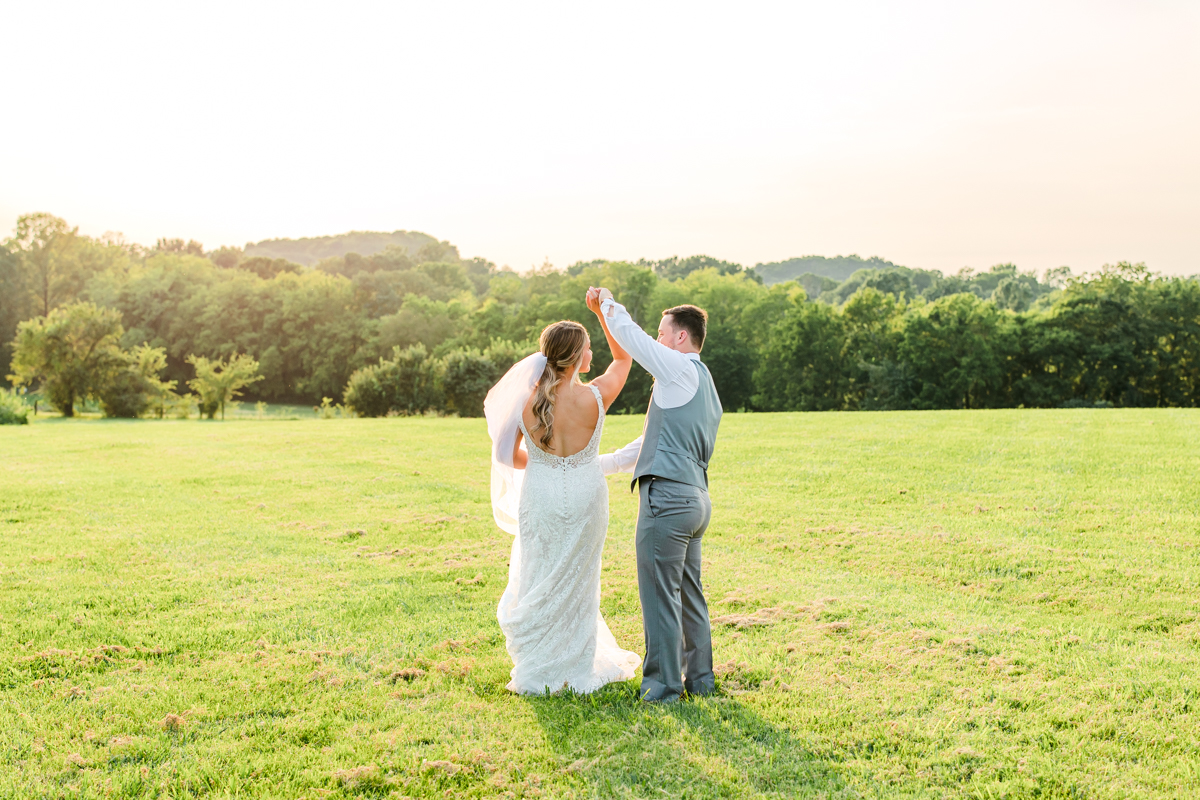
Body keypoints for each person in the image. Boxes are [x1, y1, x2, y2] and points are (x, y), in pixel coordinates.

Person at [484, 312, 641, 695]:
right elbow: (624, 360)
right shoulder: (595, 394)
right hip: (587, 494)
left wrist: (542, 462)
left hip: (540, 495)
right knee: (581, 579)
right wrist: (604, 313)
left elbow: (505, 455)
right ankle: (576, 666)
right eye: (588, 345)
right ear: (576, 355)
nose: (593, 351)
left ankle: (537, 666)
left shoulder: (527, 400)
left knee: (540, 574)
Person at [587, 286, 722, 703]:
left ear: (681, 337)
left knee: (660, 595)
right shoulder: (703, 383)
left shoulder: (679, 369)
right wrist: (600, 464)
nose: (659, 340)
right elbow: (650, 441)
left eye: (664, 334)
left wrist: (606, 304)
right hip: (695, 501)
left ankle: (662, 688)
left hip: (666, 501)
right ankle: (700, 682)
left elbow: (634, 340)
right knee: (689, 596)